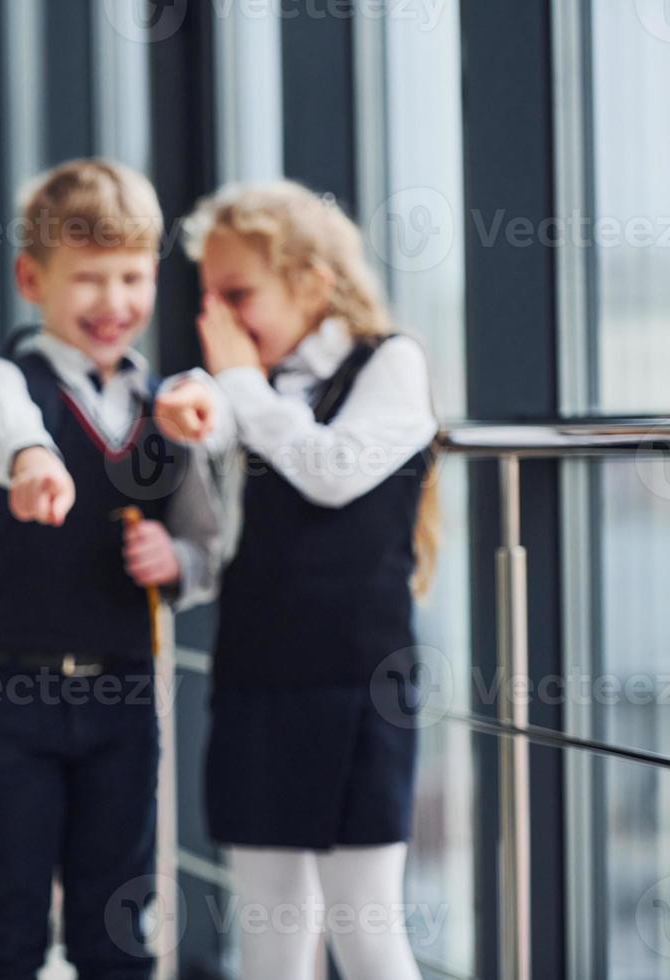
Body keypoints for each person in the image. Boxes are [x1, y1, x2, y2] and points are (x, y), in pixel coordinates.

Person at [0, 158, 221, 980]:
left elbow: (208, 543)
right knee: (9, 923)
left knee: (119, 928)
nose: (114, 302)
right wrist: (33, 459)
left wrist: (179, 560)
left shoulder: (170, 407)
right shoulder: (6, 381)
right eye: (88, 278)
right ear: (33, 277)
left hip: (123, 696)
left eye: (131, 276)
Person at [155, 179, 440, 980]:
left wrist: (237, 386)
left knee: (366, 921)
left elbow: (333, 470)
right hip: (259, 675)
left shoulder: (390, 363)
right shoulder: (247, 381)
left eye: (237, 294)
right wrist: (193, 399)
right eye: (208, 298)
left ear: (313, 283)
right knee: (270, 930)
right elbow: (205, 402)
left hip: (359, 683)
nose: (218, 322)